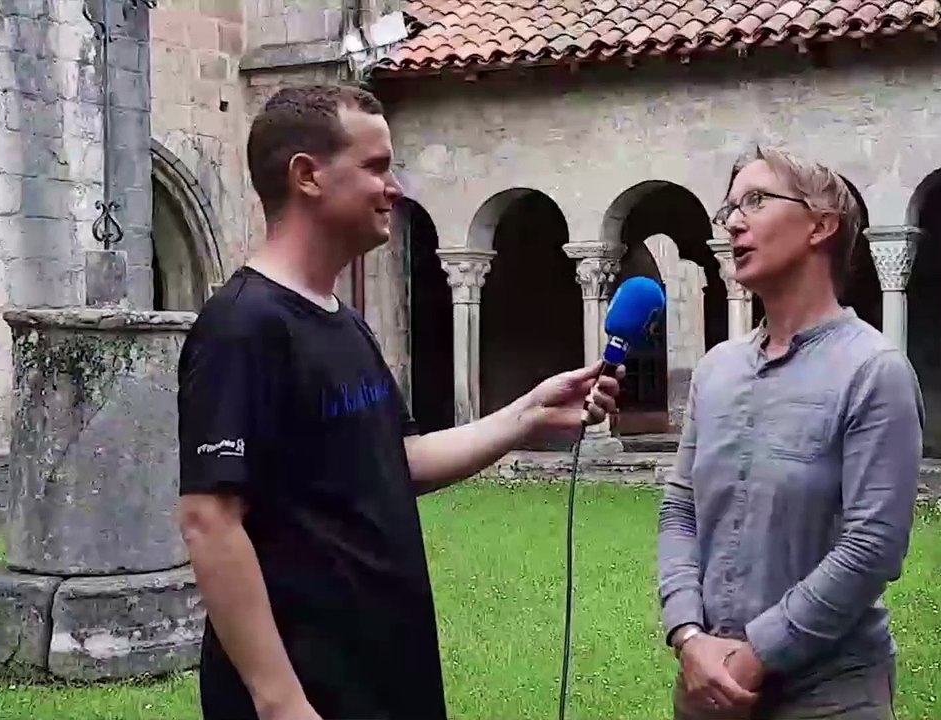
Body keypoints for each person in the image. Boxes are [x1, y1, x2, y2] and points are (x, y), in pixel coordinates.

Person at [176, 84, 623, 720]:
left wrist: (528, 415)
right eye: (377, 167)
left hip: (384, 670)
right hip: (309, 690)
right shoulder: (242, 327)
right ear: (307, 176)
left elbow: (397, 460)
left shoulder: (344, 322)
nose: (395, 188)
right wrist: (279, 700)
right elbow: (210, 520)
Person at [657, 147, 925, 720]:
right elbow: (681, 508)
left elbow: (872, 547)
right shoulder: (717, 369)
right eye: (729, 207)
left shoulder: (874, 371)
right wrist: (687, 634)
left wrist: (757, 654)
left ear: (821, 225)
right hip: (706, 680)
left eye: (755, 200)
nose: (732, 220)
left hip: (828, 691)